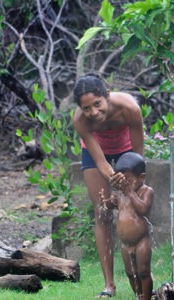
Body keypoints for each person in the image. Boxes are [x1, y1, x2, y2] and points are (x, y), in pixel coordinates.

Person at [73, 73, 144, 298]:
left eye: (97, 104)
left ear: (107, 96)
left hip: (127, 150)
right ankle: (109, 285)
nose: (93, 112)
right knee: (102, 211)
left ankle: (140, 277)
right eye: (86, 108)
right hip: (96, 154)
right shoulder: (80, 121)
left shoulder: (130, 108)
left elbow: (138, 157)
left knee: (131, 208)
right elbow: (101, 161)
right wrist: (113, 178)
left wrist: (131, 181)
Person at [99, 152, 154, 300]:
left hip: (141, 241)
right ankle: (138, 296)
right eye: (122, 180)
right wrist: (105, 202)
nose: (125, 184)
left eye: (128, 181)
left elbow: (143, 209)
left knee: (143, 272)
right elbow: (111, 204)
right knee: (130, 273)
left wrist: (130, 192)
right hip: (125, 244)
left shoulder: (146, 191)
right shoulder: (119, 193)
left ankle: (146, 298)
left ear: (141, 177)